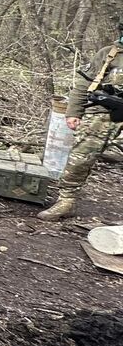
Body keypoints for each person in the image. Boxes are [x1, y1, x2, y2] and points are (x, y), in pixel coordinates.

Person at [38, 35, 122, 220]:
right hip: (102, 114)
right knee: (80, 158)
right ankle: (66, 201)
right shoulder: (109, 53)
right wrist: (74, 111)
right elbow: (84, 83)